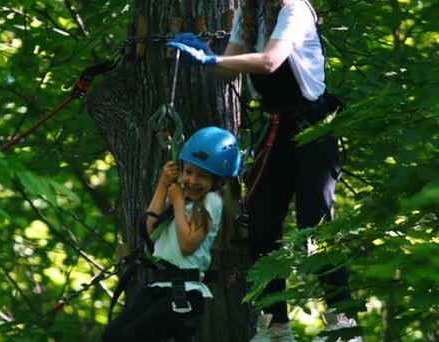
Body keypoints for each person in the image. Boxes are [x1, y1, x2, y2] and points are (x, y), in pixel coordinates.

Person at [167, 1, 361, 341]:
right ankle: (275, 325)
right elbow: (229, 69)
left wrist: (215, 59)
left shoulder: (295, 10)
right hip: (277, 130)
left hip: (313, 127)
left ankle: (343, 324)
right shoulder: (250, 12)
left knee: (313, 223)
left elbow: (270, 61)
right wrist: (204, 58)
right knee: (262, 224)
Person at [102, 126, 240, 341]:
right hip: (160, 287)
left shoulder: (211, 202)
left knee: (129, 337)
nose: (192, 181)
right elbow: (149, 230)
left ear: (218, 182)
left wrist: (176, 201)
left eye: (202, 176)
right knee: (112, 335)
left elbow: (187, 245)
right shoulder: (181, 198)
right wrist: (163, 184)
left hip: (186, 293)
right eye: (188, 172)